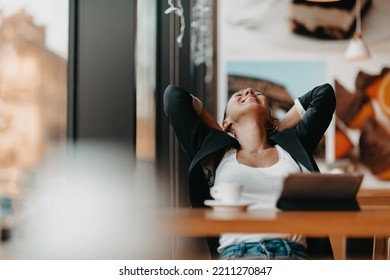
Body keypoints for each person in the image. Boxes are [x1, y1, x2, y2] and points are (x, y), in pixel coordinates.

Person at [164, 83, 336, 260]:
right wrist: (222, 131)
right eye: (238, 95)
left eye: (258, 93)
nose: (249, 91)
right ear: (227, 123)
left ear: (271, 119)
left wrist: (276, 128)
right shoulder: (216, 154)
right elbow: (174, 97)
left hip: (292, 256)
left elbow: (324, 95)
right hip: (238, 257)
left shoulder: (292, 147)